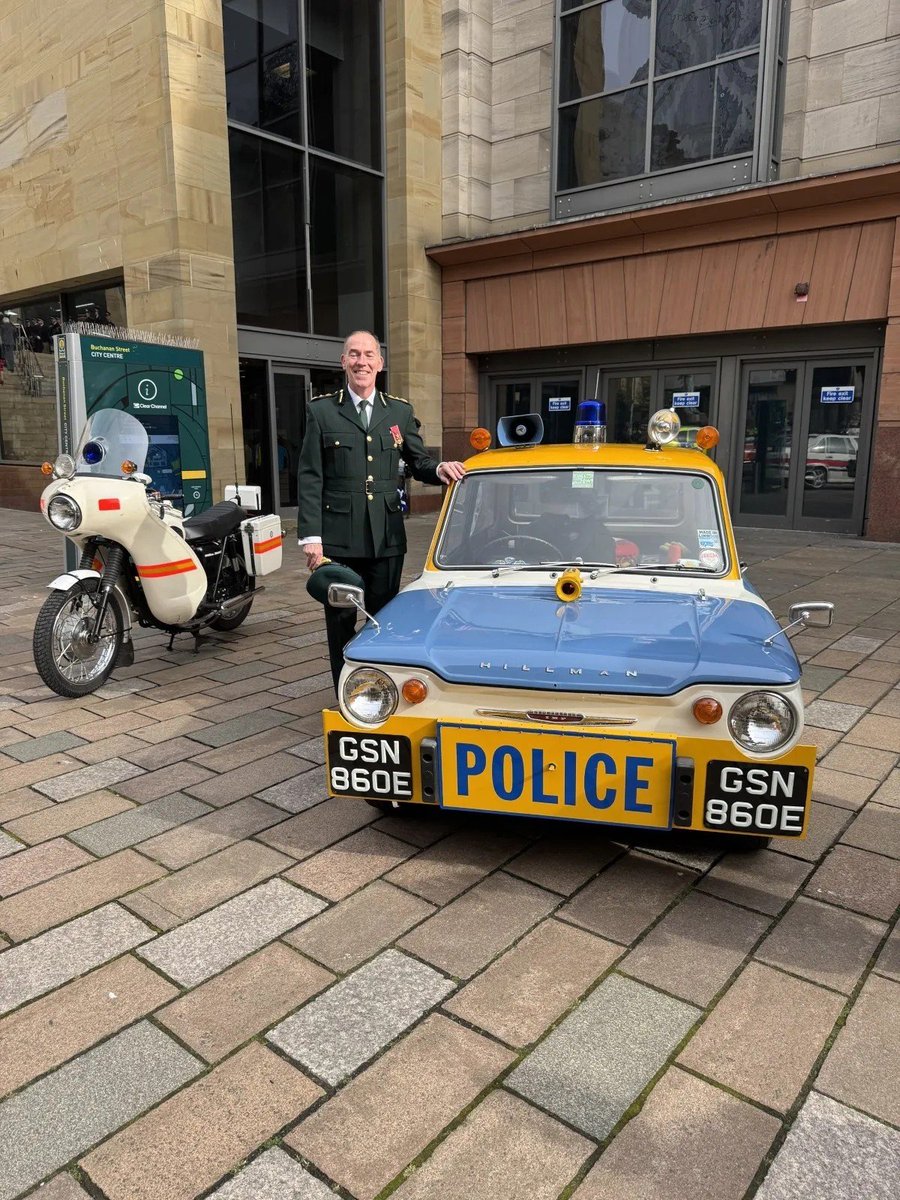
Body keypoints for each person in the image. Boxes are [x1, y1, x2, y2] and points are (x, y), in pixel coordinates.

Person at [298, 330, 466, 689]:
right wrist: (311, 538)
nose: (362, 362)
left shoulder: (400, 412)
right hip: (339, 536)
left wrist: (439, 469)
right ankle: (346, 691)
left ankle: (379, 689)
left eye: (369, 355)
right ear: (343, 362)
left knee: (384, 617)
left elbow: (419, 461)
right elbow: (310, 477)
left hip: (386, 536)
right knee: (341, 619)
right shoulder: (322, 411)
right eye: (354, 355)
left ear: (380, 363)